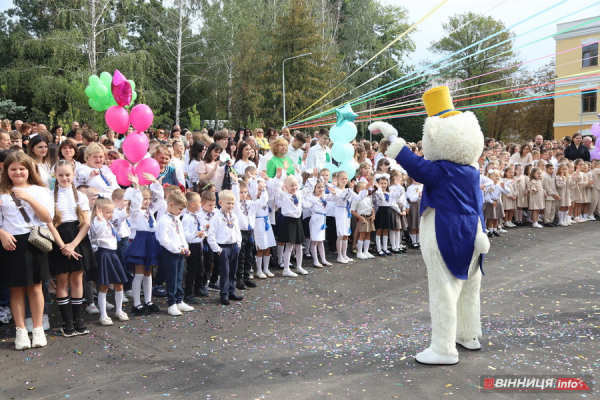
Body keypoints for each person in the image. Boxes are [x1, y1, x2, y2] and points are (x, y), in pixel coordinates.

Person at [0, 152, 54, 349]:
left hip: (34, 241)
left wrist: (29, 198)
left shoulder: (40, 190)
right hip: (12, 243)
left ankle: (38, 329)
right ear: (6, 170)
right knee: (16, 289)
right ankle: (21, 331)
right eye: (13, 169)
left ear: (29, 170)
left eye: (21, 168)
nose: (18, 172)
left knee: (36, 287)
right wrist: (2, 233)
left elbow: (47, 217)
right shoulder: (1, 191)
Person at [47, 160, 95, 337]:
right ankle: (66, 322)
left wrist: (73, 244)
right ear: (55, 176)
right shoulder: (49, 195)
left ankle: (78, 320)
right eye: (60, 175)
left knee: (77, 279)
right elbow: (50, 224)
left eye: (68, 174)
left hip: (78, 238)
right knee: (62, 281)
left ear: (73, 175)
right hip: (58, 239)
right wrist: (63, 246)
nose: (64, 178)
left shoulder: (81, 196)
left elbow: (87, 223)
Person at [124, 173, 163, 316]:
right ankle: (136, 303)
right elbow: (135, 204)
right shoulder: (135, 213)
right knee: (139, 274)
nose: (147, 202)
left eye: (148, 199)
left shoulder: (150, 211)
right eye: (144, 199)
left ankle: (148, 301)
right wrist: (136, 188)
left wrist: (155, 184)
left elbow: (158, 201)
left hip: (151, 241)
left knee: (148, 274)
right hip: (140, 242)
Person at [90, 197, 129, 325]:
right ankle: (103, 315)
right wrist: (100, 219)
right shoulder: (97, 221)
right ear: (99, 211)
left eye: (112, 212)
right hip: (104, 254)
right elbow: (98, 234)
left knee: (119, 283)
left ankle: (119, 310)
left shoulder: (108, 222)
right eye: (108, 212)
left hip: (113, 254)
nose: (111, 214)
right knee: (104, 285)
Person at [155, 190, 193, 316]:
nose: (181, 212)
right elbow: (164, 240)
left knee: (179, 277)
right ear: (171, 204)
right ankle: (171, 303)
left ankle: (179, 300)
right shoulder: (164, 220)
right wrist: (177, 248)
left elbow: (181, 235)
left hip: (180, 252)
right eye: (180, 209)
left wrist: (185, 247)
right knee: (171, 278)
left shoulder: (177, 219)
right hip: (170, 253)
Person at [206, 189, 244, 305]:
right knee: (225, 272)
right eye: (228, 203)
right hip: (223, 247)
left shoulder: (234, 216)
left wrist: (238, 243)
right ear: (220, 203)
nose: (230, 205)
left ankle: (231, 291)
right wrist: (218, 250)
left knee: (233, 271)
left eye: (232, 203)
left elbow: (237, 231)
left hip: (234, 246)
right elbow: (211, 235)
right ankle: (224, 294)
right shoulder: (216, 217)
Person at [231, 175, 267, 288]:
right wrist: (236, 184)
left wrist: (263, 189)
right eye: (241, 192)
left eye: (245, 192)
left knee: (249, 256)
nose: (244, 194)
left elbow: (263, 201)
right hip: (240, 233)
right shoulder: (236, 205)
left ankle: (246, 277)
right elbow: (235, 197)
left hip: (250, 233)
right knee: (240, 258)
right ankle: (239, 279)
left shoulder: (251, 204)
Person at [274, 175, 308, 276]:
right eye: (291, 185)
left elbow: (307, 190)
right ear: (286, 186)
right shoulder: (284, 195)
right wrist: (279, 179)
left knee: (299, 245)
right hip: (288, 221)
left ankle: (299, 267)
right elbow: (276, 191)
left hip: (298, 221)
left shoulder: (299, 194)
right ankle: (286, 269)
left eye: (295, 185)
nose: (294, 187)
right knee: (289, 246)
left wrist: (314, 178)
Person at [331, 171, 367, 263]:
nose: (344, 180)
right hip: (340, 212)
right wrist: (340, 192)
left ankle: (344, 254)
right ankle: (339, 256)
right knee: (340, 235)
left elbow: (358, 198)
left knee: (346, 235)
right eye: (342, 178)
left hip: (347, 213)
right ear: (338, 180)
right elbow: (338, 198)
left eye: (346, 178)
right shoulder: (336, 190)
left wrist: (365, 189)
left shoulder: (349, 190)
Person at [181, 192, 207, 304]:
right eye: (199, 202)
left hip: (198, 244)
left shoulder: (195, 215)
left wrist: (202, 230)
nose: (201, 204)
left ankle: (198, 288)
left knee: (199, 268)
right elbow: (185, 235)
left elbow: (198, 227)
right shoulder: (186, 218)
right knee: (191, 269)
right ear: (192, 204)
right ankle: (188, 293)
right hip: (191, 246)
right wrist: (197, 234)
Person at [302, 177, 335, 267]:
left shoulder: (325, 196)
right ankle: (315, 260)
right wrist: (302, 199)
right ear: (314, 189)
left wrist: (333, 193)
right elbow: (306, 206)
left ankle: (323, 259)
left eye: (322, 187)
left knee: (321, 241)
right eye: (318, 187)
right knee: (315, 241)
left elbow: (333, 198)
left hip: (322, 219)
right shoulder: (312, 198)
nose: (321, 189)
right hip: (315, 219)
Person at [350, 181, 375, 260]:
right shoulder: (356, 199)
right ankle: (359, 252)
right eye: (363, 189)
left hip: (369, 217)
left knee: (368, 235)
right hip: (362, 218)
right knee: (362, 235)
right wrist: (360, 218)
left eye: (366, 188)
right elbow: (352, 211)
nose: (365, 190)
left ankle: (366, 251)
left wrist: (373, 215)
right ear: (357, 190)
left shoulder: (368, 197)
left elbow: (372, 207)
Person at [483, 170, 510, 236]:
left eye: (498, 176)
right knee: (491, 217)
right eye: (495, 176)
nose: (497, 177)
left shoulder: (500, 185)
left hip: (498, 202)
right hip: (491, 203)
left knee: (496, 217)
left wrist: (504, 187)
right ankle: (490, 230)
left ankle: (495, 230)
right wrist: (492, 202)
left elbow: (507, 192)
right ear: (491, 177)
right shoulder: (489, 186)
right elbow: (487, 196)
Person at [373, 173, 394, 256]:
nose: (383, 185)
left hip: (388, 211)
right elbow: (381, 199)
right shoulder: (377, 193)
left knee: (386, 230)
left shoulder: (389, 192)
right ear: (378, 184)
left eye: (385, 183)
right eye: (381, 183)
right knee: (379, 229)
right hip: (381, 211)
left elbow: (393, 200)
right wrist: (379, 189)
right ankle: (379, 249)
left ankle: (385, 248)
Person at [542, 163, 559, 227]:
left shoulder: (553, 176)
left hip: (554, 195)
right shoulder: (545, 177)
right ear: (546, 169)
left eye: (553, 168)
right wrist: (553, 194)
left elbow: (554, 186)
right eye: (550, 169)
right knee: (548, 209)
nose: (552, 170)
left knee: (553, 209)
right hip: (549, 196)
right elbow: (547, 187)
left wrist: (556, 194)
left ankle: (551, 220)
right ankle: (546, 221)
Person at [406, 178, 422, 248]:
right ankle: (414, 241)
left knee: (419, 224)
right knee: (413, 224)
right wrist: (418, 195)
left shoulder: (422, 186)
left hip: (421, 205)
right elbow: (412, 198)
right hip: (414, 206)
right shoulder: (410, 188)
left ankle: (418, 241)